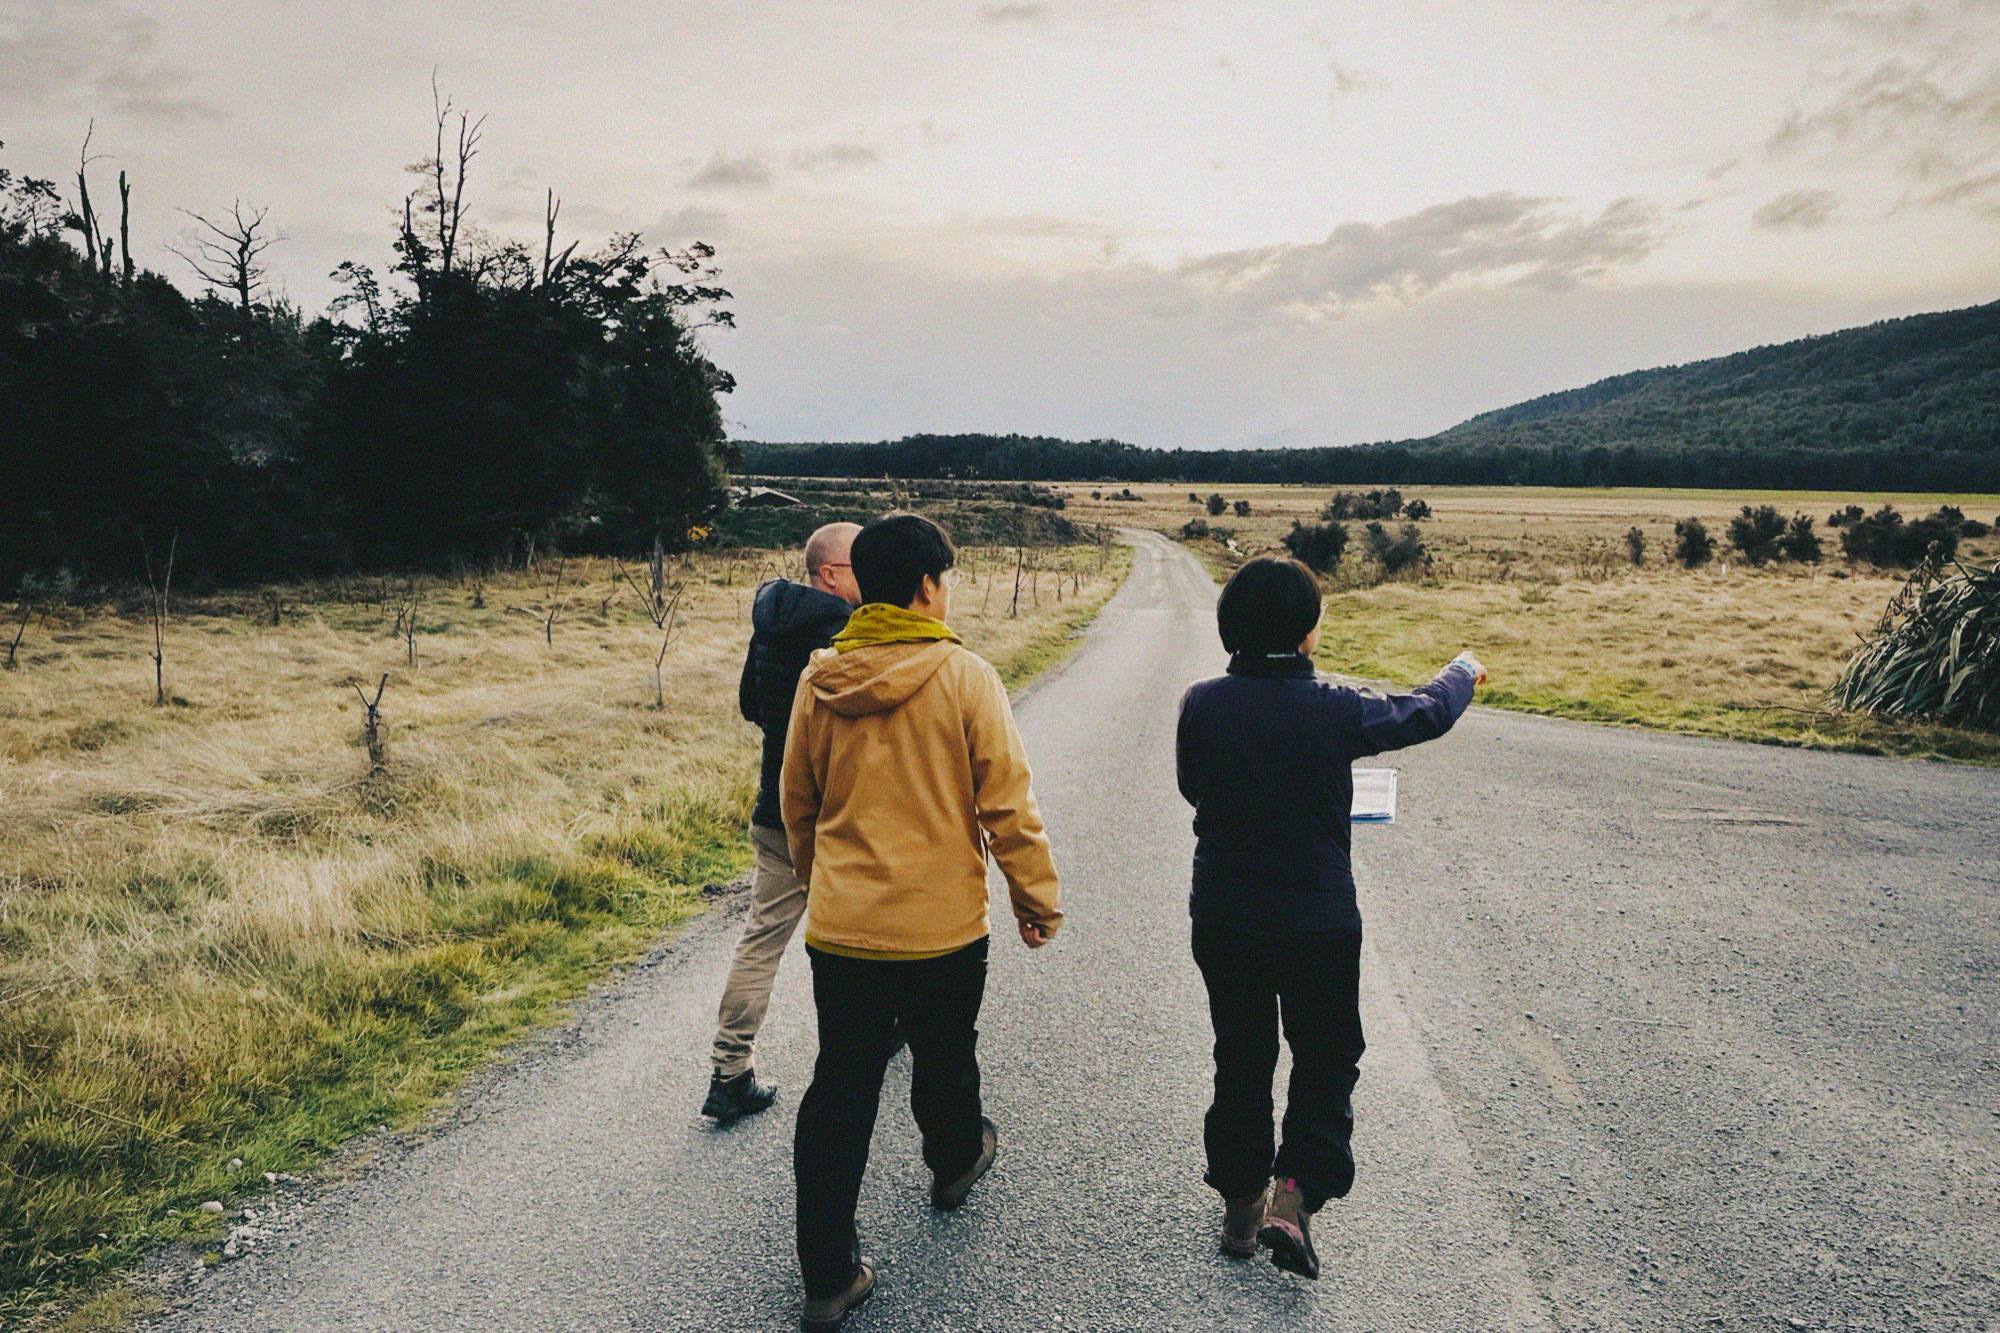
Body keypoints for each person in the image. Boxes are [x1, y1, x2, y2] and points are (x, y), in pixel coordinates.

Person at [781, 512, 1062, 1331]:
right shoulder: (964, 676)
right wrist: (1035, 899)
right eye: (949, 578)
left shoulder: (818, 679)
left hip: (844, 929)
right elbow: (1008, 803)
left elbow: (798, 804)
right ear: (926, 586)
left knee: (842, 1085)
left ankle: (828, 1275)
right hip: (942, 928)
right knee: (946, 1052)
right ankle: (953, 1160)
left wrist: (822, 884)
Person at [1174, 556, 1485, 1280]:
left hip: (1224, 914)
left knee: (1241, 1054)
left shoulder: (1201, 702)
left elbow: (1195, 787)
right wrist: (1461, 671)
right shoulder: (1338, 709)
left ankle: (1241, 1202)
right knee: (1325, 1054)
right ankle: (1295, 1193)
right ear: (1309, 632)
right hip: (1318, 922)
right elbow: (1424, 711)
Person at [700, 521, 863, 1122]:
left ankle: (729, 1071)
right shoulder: (844, 631)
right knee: (874, 929)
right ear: (828, 573)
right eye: (858, 565)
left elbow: (749, 703)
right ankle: (885, 1034)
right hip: (837, 814)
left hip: (775, 808)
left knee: (762, 939)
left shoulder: (770, 622)